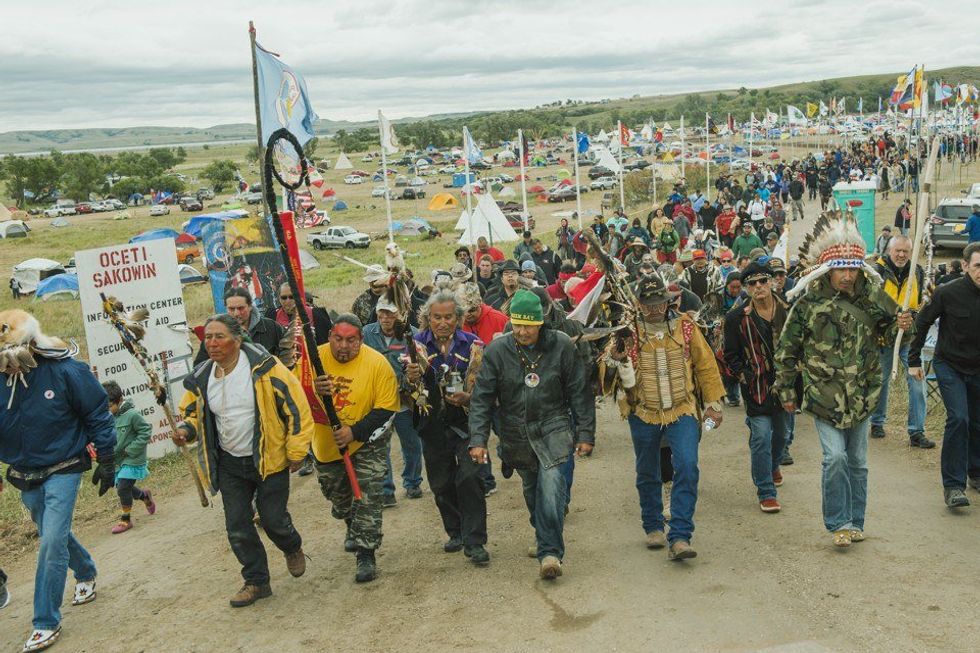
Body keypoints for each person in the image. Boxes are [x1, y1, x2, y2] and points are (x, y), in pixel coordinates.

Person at [774, 213, 914, 548]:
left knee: (859, 463)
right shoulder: (807, 304)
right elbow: (787, 349)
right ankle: (838, 522)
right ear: (829, 270)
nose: (848, 276)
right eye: (842, 269)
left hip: (864, 395)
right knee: (834, 458)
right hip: (823, 397)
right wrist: (784, 390)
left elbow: (892, 334)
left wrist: (903, 327)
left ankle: (856, 521)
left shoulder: (874, 297)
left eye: (853, 269)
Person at [176, 314, 313, 605]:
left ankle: (292, 545)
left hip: (269, 459)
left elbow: (296, 407)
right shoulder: (202, 376)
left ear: (237, 340)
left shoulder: (266, 368)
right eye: (208, 337)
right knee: (237, 525)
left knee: (273, 520)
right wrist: (185, 430)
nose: (211, 343)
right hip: (229, 464)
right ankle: (256, 581)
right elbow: (192, 412)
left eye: (219, 337)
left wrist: (297, 449)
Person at [0, 313, 116, 652]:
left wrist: (107, 457)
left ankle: (46, 621)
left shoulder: (67, 370)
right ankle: (86, 571)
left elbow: (96, 411)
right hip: (24, 470)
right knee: (50, 529)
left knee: (50, 539)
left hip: (64, 464)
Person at [469, 290, 595, 579]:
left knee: (551, 486)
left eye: (528, 325)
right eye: (517, 325)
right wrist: (478, 440)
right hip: (516, 433)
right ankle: (542, 531)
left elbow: (579, 391)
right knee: (532, 489)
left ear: (541, 323)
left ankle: (550, 553)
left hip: (554, 427)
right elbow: (482, 399)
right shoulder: (497, 351)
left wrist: (585, 432)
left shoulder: (562, 346)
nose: (522, 331)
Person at [614, 274, 725, 560]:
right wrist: (616, 356)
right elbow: (611, 365)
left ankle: (680, 536)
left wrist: (713, 403)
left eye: (659, 304)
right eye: (649, 305)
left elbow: (705, 365)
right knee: (648, 470)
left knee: (687, 466)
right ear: (639, 304)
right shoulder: (629, 331)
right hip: (643, 412)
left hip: (683, 409)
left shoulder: (686, 327)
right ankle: (652, 526)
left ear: (667, 302)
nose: (655, 310)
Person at [309, 314, 401, 582]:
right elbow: (295, 393)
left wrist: (354, 432)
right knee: (339, 496)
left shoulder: (377, 364)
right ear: (329, 338)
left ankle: (366, 552)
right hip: (327, 444)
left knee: (369, 494)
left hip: (367, 440)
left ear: (361, 340)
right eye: (338, 339)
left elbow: (386, 408)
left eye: (351, 340)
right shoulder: (313, 360)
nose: (344, 346)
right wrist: (313, 387)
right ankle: (351, 522)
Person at [406, 291, 490, 565]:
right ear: (427, 318)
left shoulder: (474, 345)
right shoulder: (414, 346)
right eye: (436, 317)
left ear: (459, 319)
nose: (442, 322)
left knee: (470, 478)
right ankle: (456, 532)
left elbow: (488, 389)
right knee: (441, 483)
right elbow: (404, 391)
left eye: (448, 317)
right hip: (432, 424)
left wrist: (469, 398)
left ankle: (475, 541)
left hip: (466, 423)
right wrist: (410, 379)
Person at [909, 242, 980, 508]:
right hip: (949, 364)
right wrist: (913, 360)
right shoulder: (947, 293)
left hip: (978, 367)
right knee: (959, 418)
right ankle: (953, 486)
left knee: (977, 422)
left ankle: (977, 472)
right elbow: (923, 321)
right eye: (977, 266)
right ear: (965, 266)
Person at [723, 261, 794, 513]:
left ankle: (773, 465)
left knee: (783, 436)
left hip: (786, 387)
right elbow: (729, 354)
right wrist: (744, 375)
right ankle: (766, 491)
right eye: (752, 283)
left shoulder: (789, 309)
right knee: (762, 436)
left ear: (772, 281)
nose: (758, 286)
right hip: (757, 389)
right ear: (746, 288)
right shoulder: (736, 318)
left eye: (763, 281)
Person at [869, 236, 935, 449]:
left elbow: (922, 305)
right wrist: (890, 320)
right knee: (882, 380)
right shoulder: (876, 272)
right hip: (883, 337)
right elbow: (869, 305)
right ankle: (877, 421)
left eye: (906, 251)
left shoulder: (916, 271)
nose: (901, 255)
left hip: (910, 338)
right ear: (889, 250)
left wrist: (914, 319)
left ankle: (917, 431)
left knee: (917, 381)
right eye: (898, 251)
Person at [361, 297, 425, 506]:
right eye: (382, 312)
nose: (385, 317)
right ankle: (386, 489)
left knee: (411, 442)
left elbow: (423, 366)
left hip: (405, 400)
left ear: (401, 314)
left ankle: (413, 482)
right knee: (380, 444)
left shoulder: (413, 335)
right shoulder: (367, 333)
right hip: (378, 401)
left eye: (390, 313)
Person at [102, 381, 156, 534]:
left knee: (123, 487)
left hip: (133, 458)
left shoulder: (132, 415)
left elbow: (145, 432)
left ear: (120, 400)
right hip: (118, 460)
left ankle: (126, 519)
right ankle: (144, 496)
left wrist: (131, 449)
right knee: (122, 486)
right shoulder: (108, 417)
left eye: (110, 406)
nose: (108, 410)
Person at [194, 288, 291, 366]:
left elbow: (289, 353)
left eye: (241, 308)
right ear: (226, 308)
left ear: (250, 306)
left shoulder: (271, 327)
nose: (236, 313)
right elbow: (199, 368)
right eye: (231, 309)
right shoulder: (214, 334)